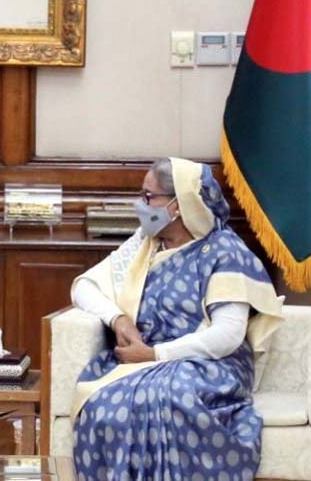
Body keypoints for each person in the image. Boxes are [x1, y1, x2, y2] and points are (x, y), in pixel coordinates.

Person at [70, 157, 283, 481]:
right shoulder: (146, 244)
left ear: (178, 205)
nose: (140, 205)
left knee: (170, 396)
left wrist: (156, 354)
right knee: (102, 407)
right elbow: (84, 287)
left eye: (148, 197)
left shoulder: (224, 251)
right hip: (141, 361)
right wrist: (118, 320)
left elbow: (227, 335)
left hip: (208, 364)